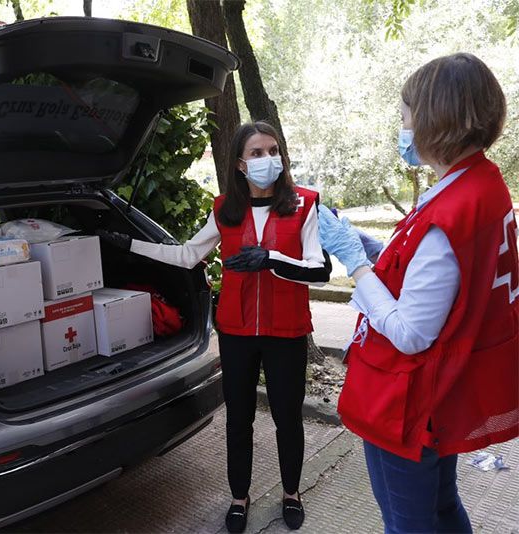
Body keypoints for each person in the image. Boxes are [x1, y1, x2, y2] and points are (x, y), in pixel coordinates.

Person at [318, 53, 518, 533]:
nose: (402, 126)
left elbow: (410, 331)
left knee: (408, 524)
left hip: (409, 398)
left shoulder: (451, 210)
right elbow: (441, 273)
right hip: (444, 389)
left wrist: (357, 262)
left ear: (435, 119)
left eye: (405, 115)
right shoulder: (481, 183)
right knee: (442, 508)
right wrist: (379, 250)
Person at [99, 121, 331, 532]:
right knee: (238, 419)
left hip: (287, 332)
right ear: (241, 164)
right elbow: (188, 255)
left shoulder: (304, 204)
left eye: (273, 150)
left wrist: (271, 261)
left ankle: (291, 493)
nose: (267, 159)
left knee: (287, 418)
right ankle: (238, 499)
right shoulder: (224, 208)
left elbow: (318, 270)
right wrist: (129, 244)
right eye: (257, 153)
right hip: (238, 332)